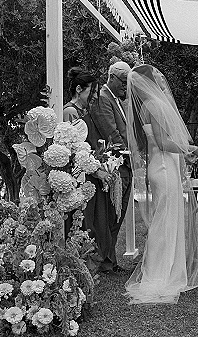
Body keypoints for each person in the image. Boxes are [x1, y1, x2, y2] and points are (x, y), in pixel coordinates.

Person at [125, 64, 198, 304]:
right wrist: (191, 148)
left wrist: (183, 153)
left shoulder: (145, 107)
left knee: (167, 219)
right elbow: (162, 142)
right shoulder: (155, 105)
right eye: (159, 79)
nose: (163, 83)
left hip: (162, 165)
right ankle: (161, 273)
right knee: (165, 220)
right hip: (162, 167)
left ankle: (166, 269)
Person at [85, 60, 133, 274]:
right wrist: (130, 158)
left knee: (117, 214)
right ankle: (105, 260)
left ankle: (110, 259)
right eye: (123, 81)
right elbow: (111, 134)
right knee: (113, 214)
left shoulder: (114, 99)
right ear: (111, 77)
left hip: (123, 164)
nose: (125, 86)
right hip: (116, 165)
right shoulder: (104, 99)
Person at [62, 67, 111, 241]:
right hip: (80, 174)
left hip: (89, 171)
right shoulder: (70, 111)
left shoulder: (83, 111)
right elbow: (75, 149)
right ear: (79, 89)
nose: (96, 97)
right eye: (93, 91)